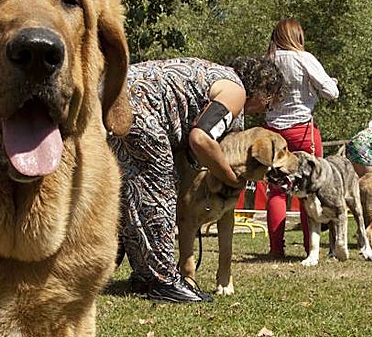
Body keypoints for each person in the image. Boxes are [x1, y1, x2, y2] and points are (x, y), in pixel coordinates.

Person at [111, 55, 282, 303]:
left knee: (134, 195)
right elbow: (201, 139)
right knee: (160, 191)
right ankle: (165, 282)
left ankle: (144, 275)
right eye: (268, 103)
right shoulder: (235, 90)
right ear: (261, 89)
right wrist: (230, 176)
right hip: (139, 106)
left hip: (113, 95)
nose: (263, 110)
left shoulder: (212, 75)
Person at [263, 18, 337, 259]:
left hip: (272, 131)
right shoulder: (304, 58)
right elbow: (331, 92)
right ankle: (310, 249)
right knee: (310, 190)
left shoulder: (268, 61)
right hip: (302, 130)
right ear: (297, 37)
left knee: (276, 190)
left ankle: (276, 249)